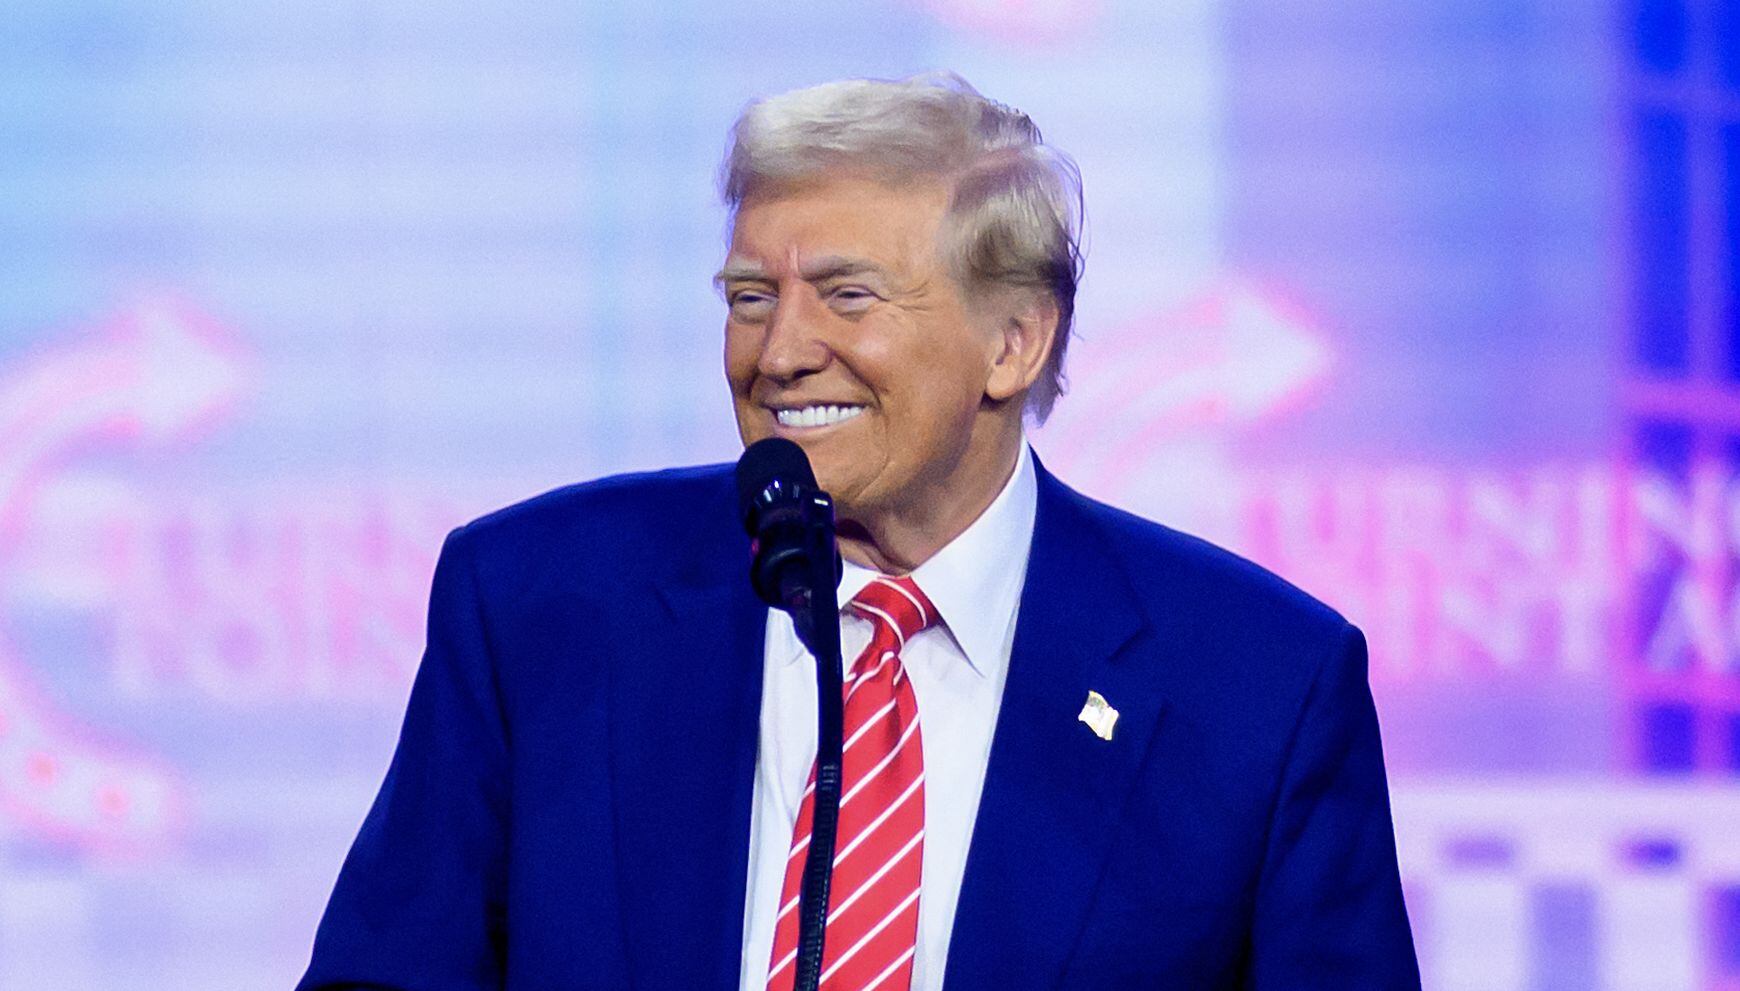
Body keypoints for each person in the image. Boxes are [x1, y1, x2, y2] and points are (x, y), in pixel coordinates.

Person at [296, 72, 1420, 990]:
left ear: (1014, 343)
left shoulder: (1257, 687)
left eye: (846, 296)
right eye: (748, 297)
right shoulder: (540, 605)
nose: (778, 352)